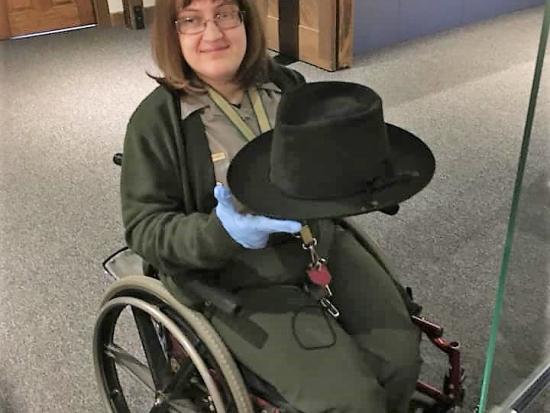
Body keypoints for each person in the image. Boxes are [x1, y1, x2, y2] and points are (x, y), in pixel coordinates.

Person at [120, 0, 429, 411]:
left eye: (225, 14)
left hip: (316, 243)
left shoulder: (287, 87)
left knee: (399, 364)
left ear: (246, 20)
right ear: (172, 33)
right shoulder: (156, 121)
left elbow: (324, 166)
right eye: (192, 20)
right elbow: (144, 228)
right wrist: (221, 232)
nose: (213, 34)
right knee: (352, 400)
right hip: (233, 274)